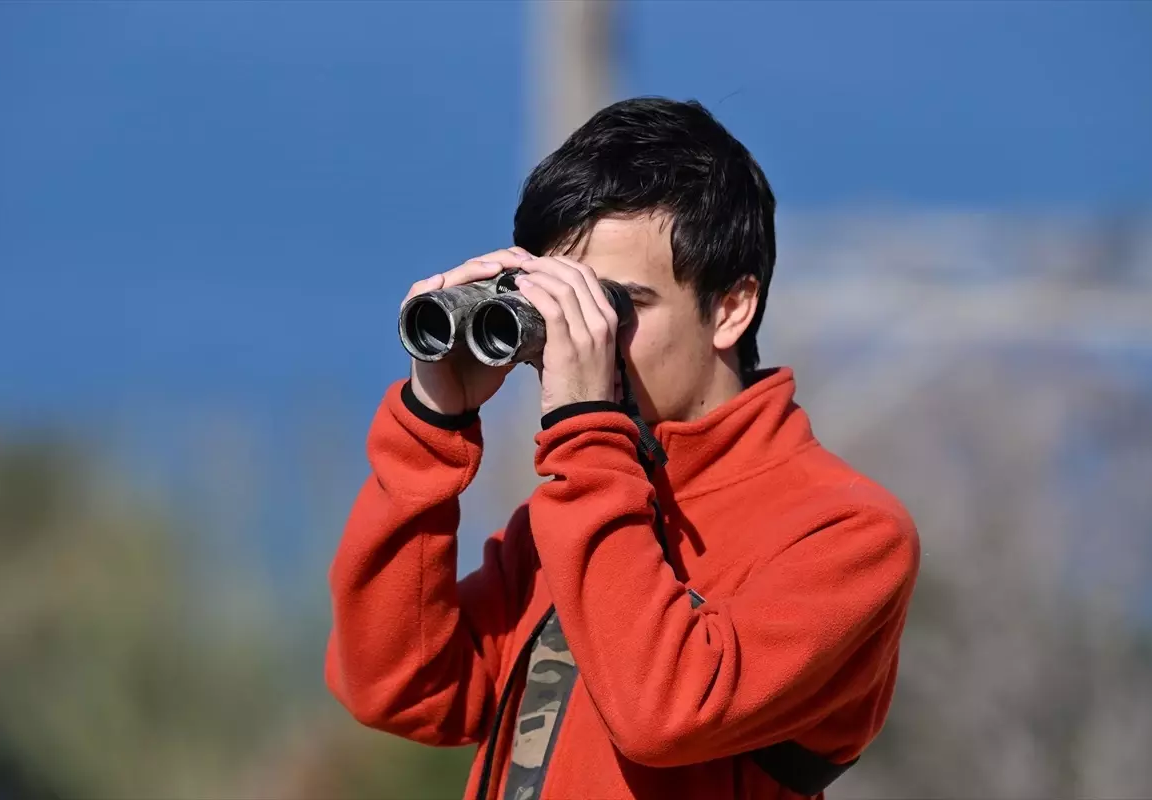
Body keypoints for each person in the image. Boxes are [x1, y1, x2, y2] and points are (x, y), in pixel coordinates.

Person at [325, 97, 920, 800]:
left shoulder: (849, 535)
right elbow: (399, 686)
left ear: (732, 307)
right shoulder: (583, 508)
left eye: (614, 305)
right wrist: (433, 424)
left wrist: (584, 426)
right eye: (558, 302)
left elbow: (661, 714)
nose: (585, 336)